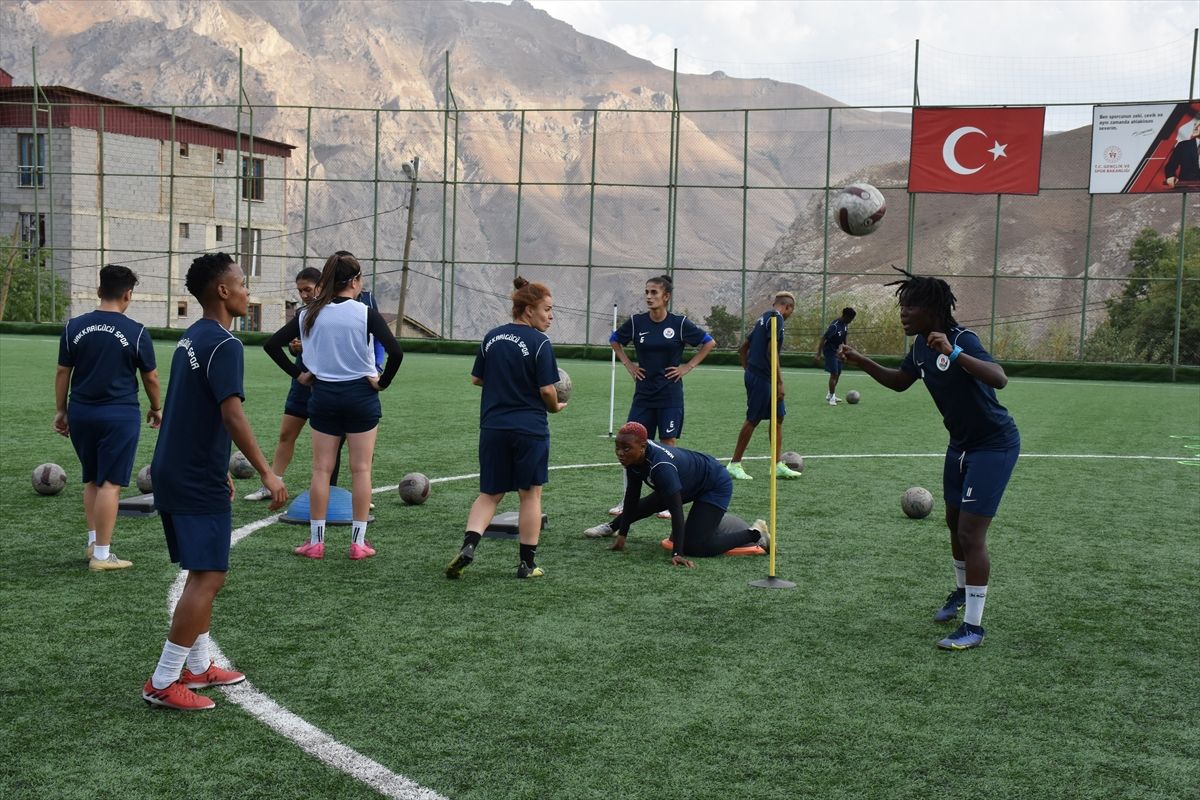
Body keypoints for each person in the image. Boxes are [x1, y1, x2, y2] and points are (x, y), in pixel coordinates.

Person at [837, 268, 1020, 651]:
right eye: (902, 306)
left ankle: (973, 627)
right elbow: (902, 382)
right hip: (960, 446)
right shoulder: (920, 346)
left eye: (911, 307)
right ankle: (959, 593)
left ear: (933, 310)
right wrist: (862, 361)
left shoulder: (961, 338)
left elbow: (999, 378)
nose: (903, 314)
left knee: (971, 533)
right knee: (954, 524)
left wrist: (953, 353)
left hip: (993, 445)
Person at [142, 253, 286, 711]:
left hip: (177, 467)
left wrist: (217, 465)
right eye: (242, 283)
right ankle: (163, 681)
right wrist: (266, 470)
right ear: (222, 291)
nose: (247, 290)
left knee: (201, 570)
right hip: (191, 476)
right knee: (209, 575)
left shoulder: (193, 337)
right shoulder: (226, 344)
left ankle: (199, 667)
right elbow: (231, 414)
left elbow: (192, 411)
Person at [264, 252, 403, 560]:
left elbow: (271, 345)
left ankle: (316, 542)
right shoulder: (365, 313)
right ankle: (358, 543)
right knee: (361, 469)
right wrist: (382, 382)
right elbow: (396, 352)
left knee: (321, 470)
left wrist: (299, 374)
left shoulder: (310, 312)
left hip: (323, 396)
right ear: (355, 281)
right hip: (361, 397)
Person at [446, 277, 566, 580]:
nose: (550, 316)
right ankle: (527, 564)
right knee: (530, 495)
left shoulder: (492, 337)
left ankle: (469, 545)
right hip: (529, 428)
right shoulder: (541, 343)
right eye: (547, 310)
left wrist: (504, 382)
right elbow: (548, 391)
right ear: (528, 310)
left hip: (493, 427)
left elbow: (477, 379)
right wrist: (555, 407)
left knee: (489, 493)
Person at [54, 263, 161, 571]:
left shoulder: (73, 326)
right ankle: (102, 555)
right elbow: (150, 377)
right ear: (128, 295)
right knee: (111, 483)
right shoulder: (137, 331)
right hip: (119, 415)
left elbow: (63, 371)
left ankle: (93, 542)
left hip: (81, 412)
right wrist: (156, 407)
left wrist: (61, 410)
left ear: (99, 291)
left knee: (91, 477)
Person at [603, 274, 715, 522]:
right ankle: (626, 499)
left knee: (667, 444)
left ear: (666, 297)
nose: (649, 297)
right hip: (643, 395)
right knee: (630, 444)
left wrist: (687, 367)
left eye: (654, 293)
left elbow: (708, 343)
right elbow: (614, 340)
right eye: (647, 292)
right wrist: (629, 365)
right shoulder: (636, 323)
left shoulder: (680, 323)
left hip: (669, 395)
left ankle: (666, 500)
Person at [584, 422, 769, 565]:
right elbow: (632, 498)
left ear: (642, 446)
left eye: (626, 449)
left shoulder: (661, 467)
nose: (620, 453)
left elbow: (676, 510)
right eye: (617, 447)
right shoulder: (634, 458)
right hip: (687, 480)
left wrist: (677, 553)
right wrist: (622, 536)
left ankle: (754, 533)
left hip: (714, 484)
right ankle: (611, 527)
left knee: (696, 547)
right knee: (643, 506)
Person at [244, 267, 323, 501]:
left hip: (326, 386)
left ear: (321, 286)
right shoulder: (302, 313)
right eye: (300, 291)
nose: (304, 295)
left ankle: (346, 491)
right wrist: (295, 349)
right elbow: (287, 345)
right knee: (287, 434)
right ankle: (272, 483)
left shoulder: (332, 313)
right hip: (302, 384)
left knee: (331, 443)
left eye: (308, 289)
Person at [726, 291, 803, 481]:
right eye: (791, 310)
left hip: (758, 375)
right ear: (788, 308)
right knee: (753, 419)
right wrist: (779, 382)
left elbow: (743, 348)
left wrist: (747, 369)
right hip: (762, 377)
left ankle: (776, 465)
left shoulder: (764, 318)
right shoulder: (777, 319)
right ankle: (734, 464)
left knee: (778, 417)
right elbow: (772, 352)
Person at [815, 307, 856, 405]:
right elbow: (823, 338)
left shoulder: (845, 325)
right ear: (845, 316)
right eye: (850, 319)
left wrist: (845, 350)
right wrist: (818, 354)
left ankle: (830, 394)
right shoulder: (835, 326)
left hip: (838, 351)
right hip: (829, 351)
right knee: (834, 373)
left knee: (838, 373)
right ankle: (832, 398)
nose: (851, 321)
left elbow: (844, 336)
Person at [1164, 120, 1200, 188]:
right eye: (1195, 125)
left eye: (1199, 125)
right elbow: (1170, 166)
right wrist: (1171, 176)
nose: (1195, 127)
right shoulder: (1183, 145)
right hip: (1185, 187)